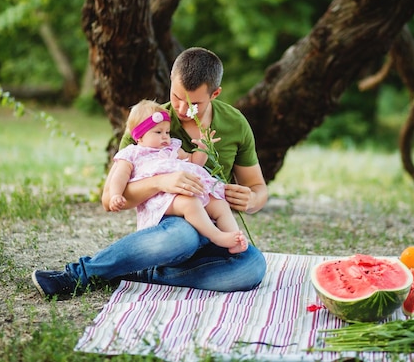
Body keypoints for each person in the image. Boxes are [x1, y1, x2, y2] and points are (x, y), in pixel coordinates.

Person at [32, 47, 268, 299]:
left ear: (215, 93)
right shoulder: (148, 123)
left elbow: (258, 187)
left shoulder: (235, 123)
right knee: (182, 237)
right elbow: (109, 197)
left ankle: (140, 272)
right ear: (170, 80)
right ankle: (79, 275)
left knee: (252, 267)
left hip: (216, 225)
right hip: (172, 225)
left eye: (193, 103)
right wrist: (161, 182)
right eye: (176, 96)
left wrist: (251, 200)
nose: (180, 107)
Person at [107, 99, 247, 254]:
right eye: (158, 132)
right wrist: (115, 195)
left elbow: (194, 162)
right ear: (139, 136)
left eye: (167, 132)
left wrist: (203, 148)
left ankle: (234, 239)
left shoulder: (172, 147)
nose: (165, 137)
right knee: (190, 204)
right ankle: (217, 237)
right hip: (161, 198)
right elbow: (119, 176)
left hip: (190, 189)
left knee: (220, 204)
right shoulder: (132, 154)